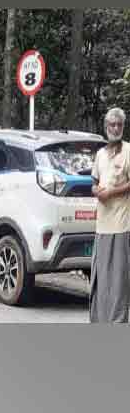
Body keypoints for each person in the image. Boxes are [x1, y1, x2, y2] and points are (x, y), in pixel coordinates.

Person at [90, 107, 130, 323]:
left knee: (118, 282)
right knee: (101, 279)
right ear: (106, 127)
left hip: (121, 226)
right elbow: (94, 182)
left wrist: (112, 192)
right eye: (112, 124)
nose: (115, 128)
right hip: (101, 227)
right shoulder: (100, 154)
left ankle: (117, 325)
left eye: (119, 124)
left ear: (123, 127)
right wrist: (97, 191)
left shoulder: (128, 151)